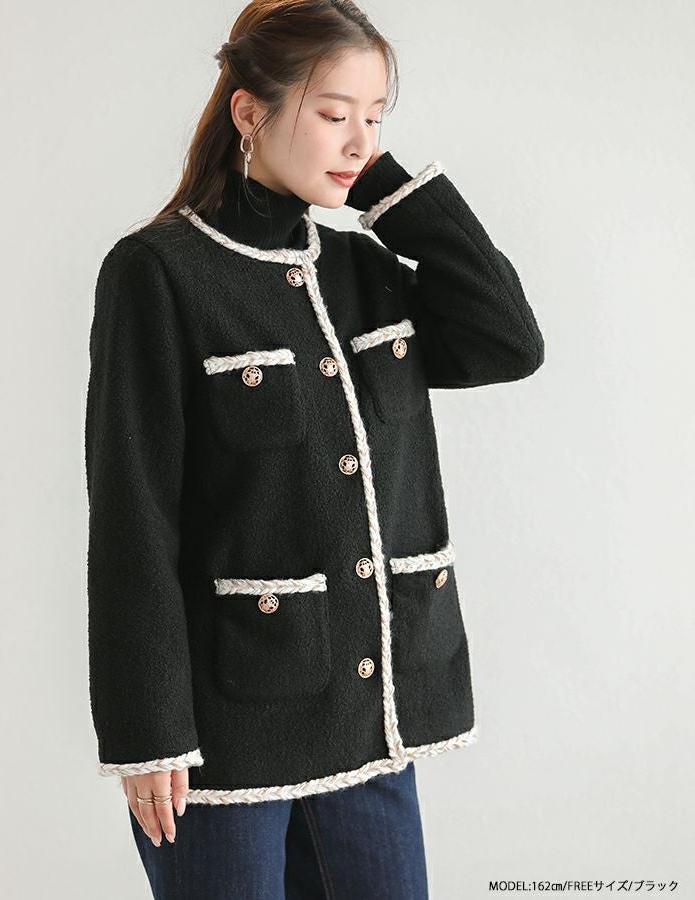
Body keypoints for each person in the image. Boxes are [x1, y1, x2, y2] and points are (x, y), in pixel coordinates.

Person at [84, 1, 545, 896]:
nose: (359, 142)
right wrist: (148, 734)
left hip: (374, 722)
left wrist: (390, 191)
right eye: (335, 114)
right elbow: (133, 514)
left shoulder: (364, 271)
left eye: (376, 118)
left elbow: (508, 342)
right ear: (249, 111)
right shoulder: (159, 272)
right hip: (224, 738)